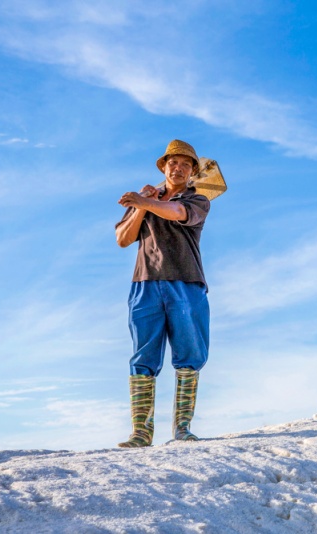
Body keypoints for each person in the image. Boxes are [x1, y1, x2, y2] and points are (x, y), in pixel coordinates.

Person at [115, 139, 210, 448]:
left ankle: (182, 429)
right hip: (145, 283)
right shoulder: (148, 200)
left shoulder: (198, 200)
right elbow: (123, 238)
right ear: (163, 166)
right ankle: (141, 433)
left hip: (186, 282)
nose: (178, 167)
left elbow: (176, 211)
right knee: (143, 356)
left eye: (185, 164)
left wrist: (145, 202)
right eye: (172, 162)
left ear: (193, 171)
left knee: (189, 354)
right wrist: (142, 204)